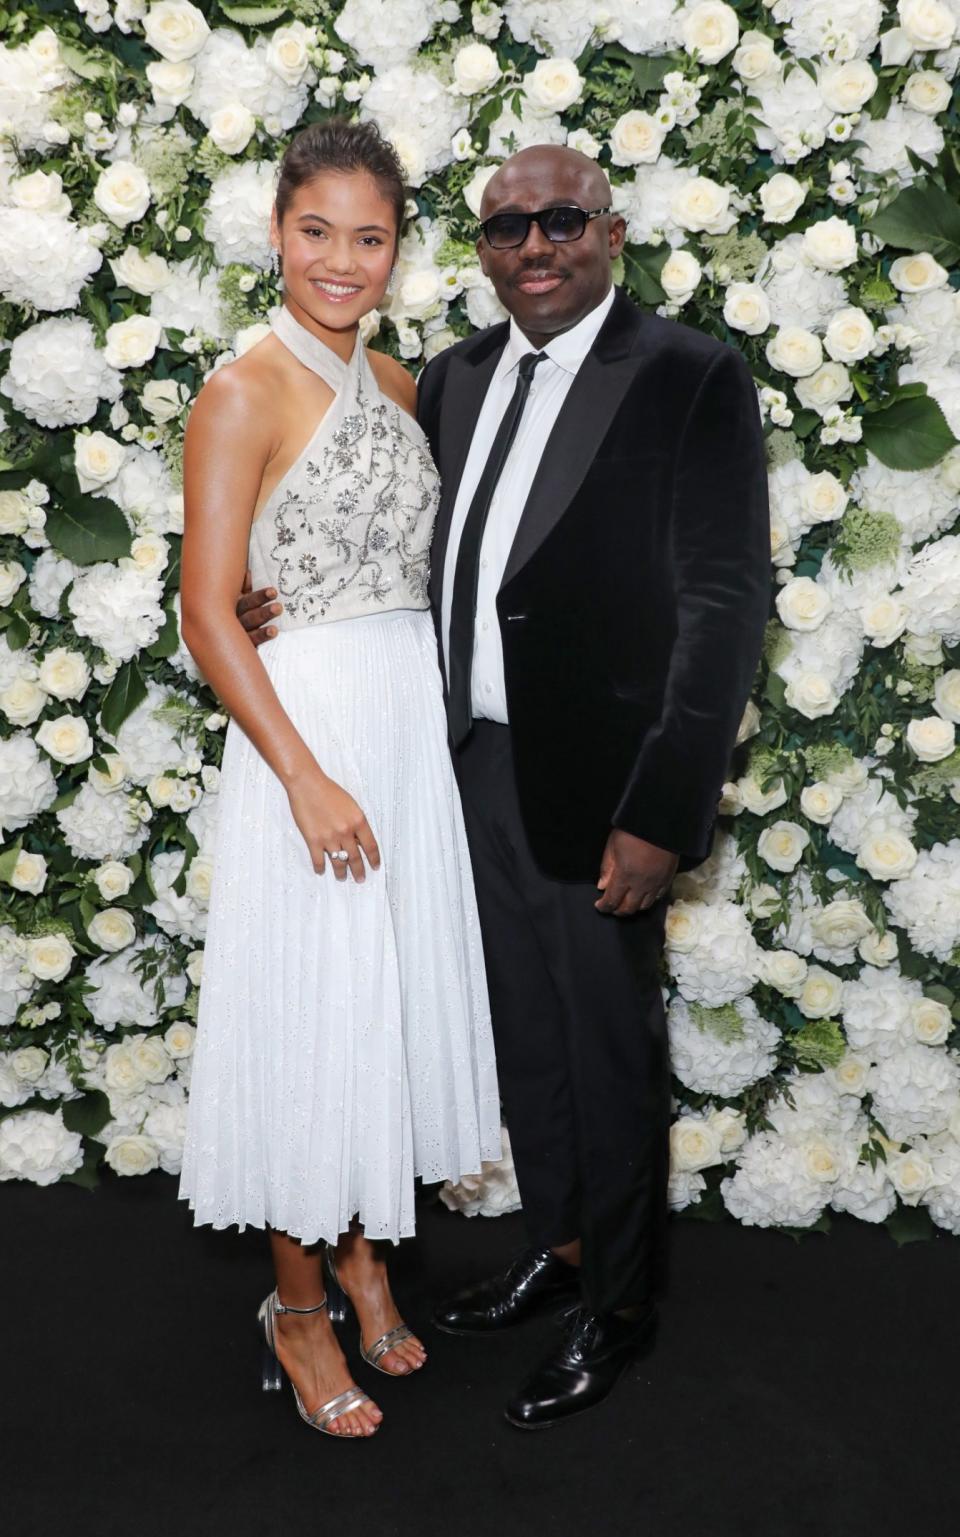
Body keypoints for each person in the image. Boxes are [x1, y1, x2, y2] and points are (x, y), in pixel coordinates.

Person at [240, 143, 770, 1430]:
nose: (535, 247)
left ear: (612, 231)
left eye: (561, 222)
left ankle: (622, 1308)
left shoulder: (690, 376)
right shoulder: (456, 378)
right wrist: (269, 602)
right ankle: (563, 1247)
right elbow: (374, 535)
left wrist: (661, 811)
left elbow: (724, 604)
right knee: (519, 1040)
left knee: (604, 1048)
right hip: (457, 764)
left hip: (605, 790)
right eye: (507, 229)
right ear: (476, 250)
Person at [178, 120, 501, 1441]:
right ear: (275, 230)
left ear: (397, 252)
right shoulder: (241, 390)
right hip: (301, 737)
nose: (341, 260)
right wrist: (304, 776)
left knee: (388, 999)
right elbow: (210, 614)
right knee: (314, 1005)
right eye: (317, 231)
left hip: (401, 728)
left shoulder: (408, 391)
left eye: (369, 238)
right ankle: (298, 1306)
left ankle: (367, 1248)